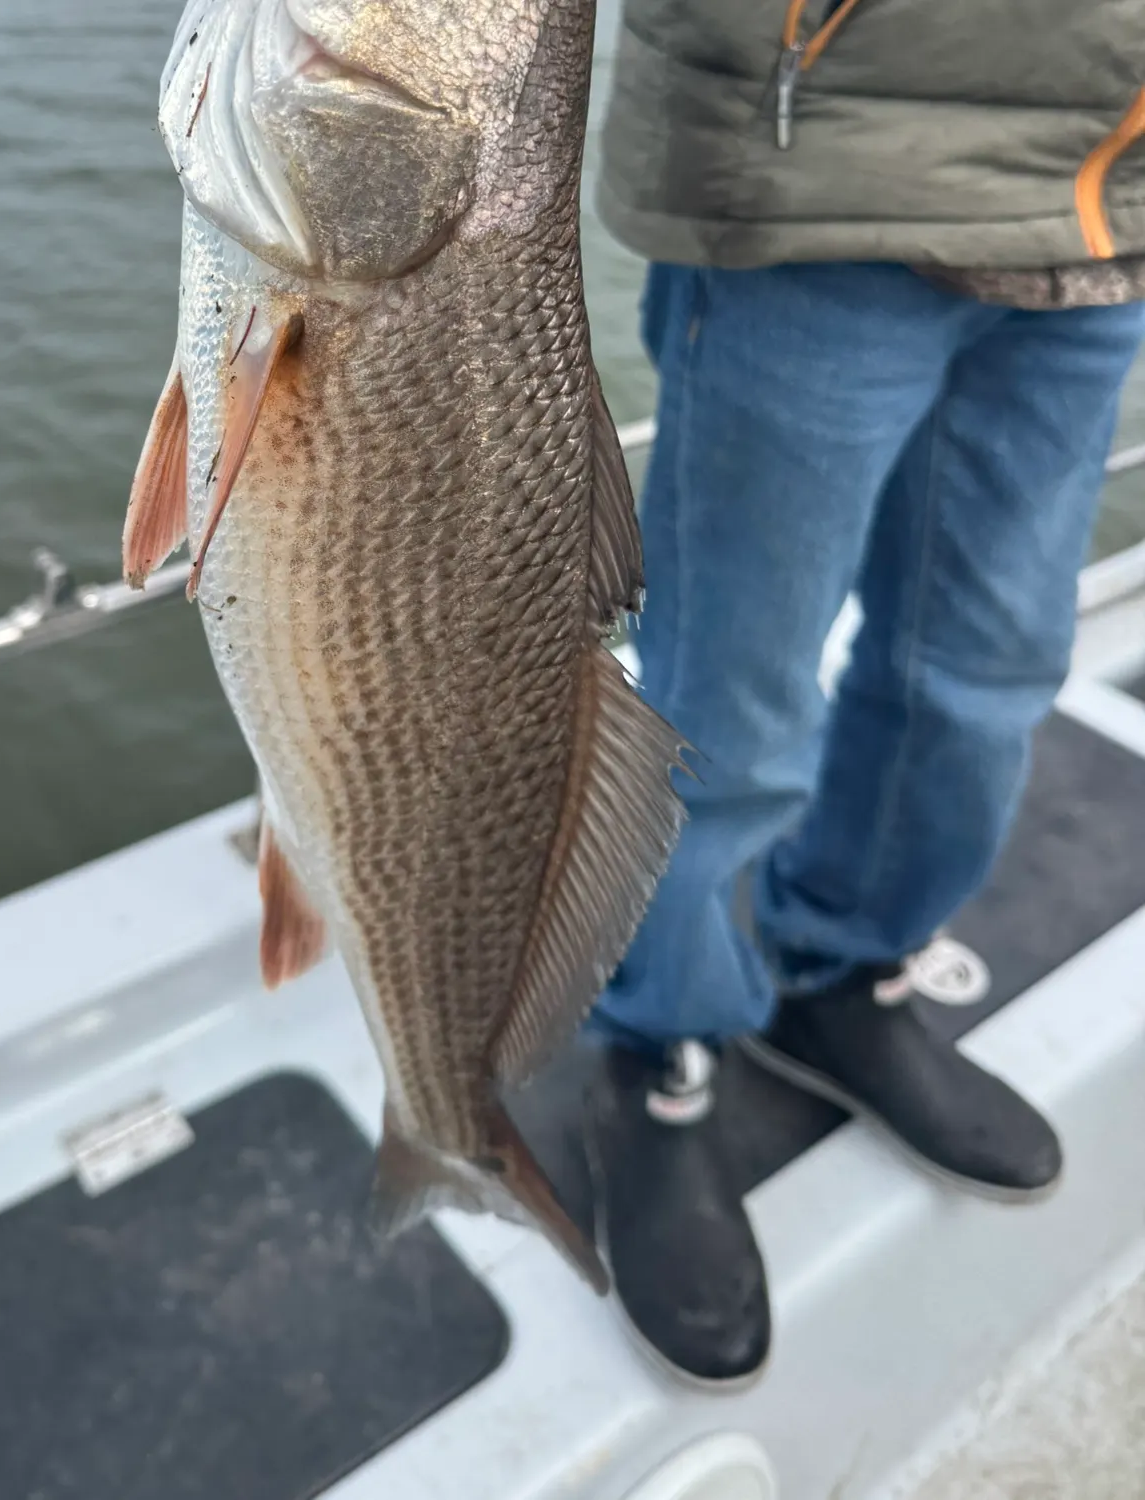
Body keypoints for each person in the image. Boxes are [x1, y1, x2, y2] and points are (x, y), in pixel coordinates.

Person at [584, 0, 1145, 1388]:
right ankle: (655, 1047)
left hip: (1104, 208)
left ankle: (839, 968)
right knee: (724, 711)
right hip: (820, 191)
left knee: (986, 673)